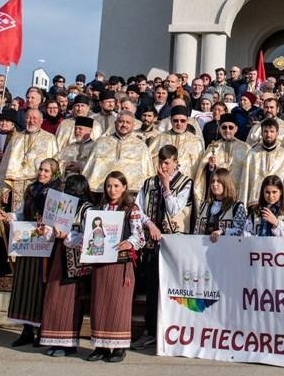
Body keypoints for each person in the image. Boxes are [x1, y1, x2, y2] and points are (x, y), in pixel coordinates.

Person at [131, 145, 194, 350]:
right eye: (161, 162)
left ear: (176, 162)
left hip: (174, 243)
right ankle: (150, 331)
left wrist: (167, 186)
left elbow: (175, 208)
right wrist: (149, 223)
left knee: (172, 288)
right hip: (151, 242)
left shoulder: (185, 182)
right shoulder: (149, 183)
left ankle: (171, 330)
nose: (164, 166)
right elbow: (137, 208)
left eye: (168, 162)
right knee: (151, 287)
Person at [0, 157, 61, 347]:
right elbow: (20, 213)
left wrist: (49, 226)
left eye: (46, 171)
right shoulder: (31, 189)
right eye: (41, 169)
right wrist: (8, 216)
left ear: (54, 174)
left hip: (46, 244)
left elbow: (60, 218)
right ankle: (27, 330)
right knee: (25, 285)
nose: (42, 173)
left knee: (41, 286)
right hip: (28, 242)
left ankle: (43, 330)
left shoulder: (58, 192)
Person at [86, 171, 144, 363]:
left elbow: (139, 236)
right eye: (109, 186)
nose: (112, 190)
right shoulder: (98, 209)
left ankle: (119, 347)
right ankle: (101, 346)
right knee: (99, 304)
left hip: (121, 265)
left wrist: (129, 243)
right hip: (101, 264)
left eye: (117, 186)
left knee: (119, 305)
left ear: (124, 188)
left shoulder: (131, 209)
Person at [38, 174, 93, 357]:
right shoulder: (63, 207)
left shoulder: (87, 210)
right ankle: (53, 339)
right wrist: (46, 231)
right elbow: (51, 232)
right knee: (53, 298)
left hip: (75, 262)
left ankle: (68, 343)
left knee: (69, 302)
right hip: (58, 257)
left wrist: (67, 236)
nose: (67, 192)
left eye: (71, 188)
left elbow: (87, 237)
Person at [83, 111, 155, 195]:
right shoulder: (100, 143)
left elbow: (149, 173)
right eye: (121, 121)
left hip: (132, 192)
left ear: (133, 126)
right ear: (115, 123)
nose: (124, 125)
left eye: (128, 122)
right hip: (102, 192)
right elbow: (88, 169)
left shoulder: (141, 146)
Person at [237, 118, 284, 206]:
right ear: (261, 133)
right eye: (265, 131)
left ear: (277, 133)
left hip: (278, 203)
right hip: (256, 202)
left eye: (272, 131)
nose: (268, 135)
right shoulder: (252, 154)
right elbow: (245, 181)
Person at [192, 113, 249, 201]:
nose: (227, 130)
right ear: (219, 129)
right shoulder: (213, 146)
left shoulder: (245, 148)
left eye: (231, 127)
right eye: (224, 127)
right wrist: (211, 166)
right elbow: (203, 173)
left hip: (237, 191)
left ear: (236, 129)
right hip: (218, 192)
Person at [193, 168, 247, 240]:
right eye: (212, 181)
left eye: (219, 181)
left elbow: (242, 232)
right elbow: (196, 232)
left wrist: (223, 232)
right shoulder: (204, 206)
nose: (214, 184)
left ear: (226, 183)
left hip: (227, 249)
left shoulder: (237, 207)